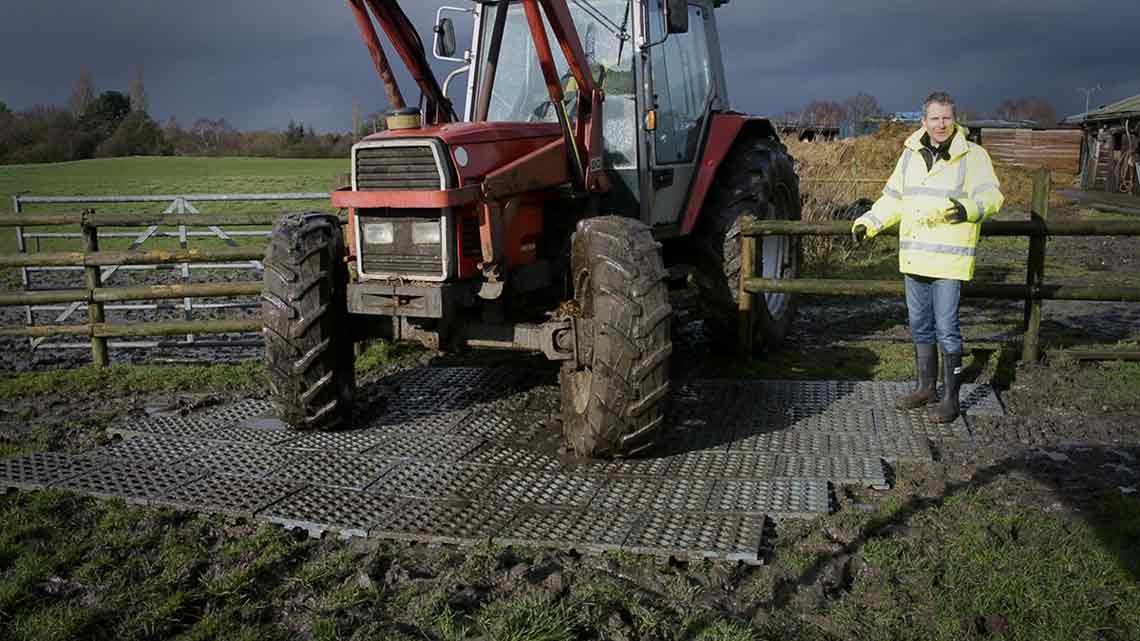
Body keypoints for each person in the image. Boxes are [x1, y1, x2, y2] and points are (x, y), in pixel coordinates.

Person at [852, 92, 1004, 423]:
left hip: (949, 261)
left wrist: (969, 209)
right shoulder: (909, 156)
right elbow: (893, 199)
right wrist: (869, 223)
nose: (940, 124)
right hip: (915, 257)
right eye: (934, 118)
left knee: (947, 328)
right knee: (920, 325)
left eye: (946, 118)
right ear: (923, 121)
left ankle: (950, 398)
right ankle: (925, 388)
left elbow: (992, 195)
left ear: (955, 119)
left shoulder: (973, 156)